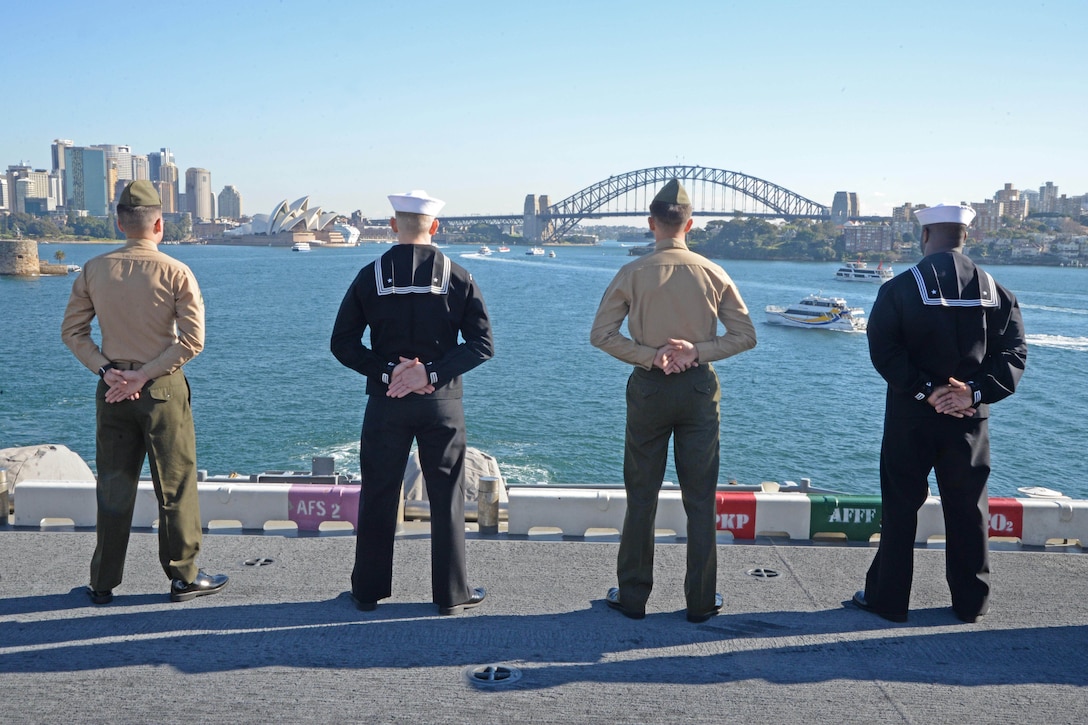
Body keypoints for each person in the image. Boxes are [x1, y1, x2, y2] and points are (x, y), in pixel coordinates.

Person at [590, 179, 757, 622]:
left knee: (641, 494)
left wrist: (652, 356)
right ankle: (701, 601)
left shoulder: (633, 272)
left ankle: (632, 597)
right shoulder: (713, 271)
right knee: (700, 498)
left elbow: (601, 335)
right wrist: (697, 351)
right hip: (700, 389)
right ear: (691, 224)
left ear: (651, 224)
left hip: (650, 387)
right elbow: (745, 336)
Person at [853, 203, 1027, 623]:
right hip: (970, 419)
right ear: (965, 236)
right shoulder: (998, 290)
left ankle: (889, 600)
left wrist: (926, 391)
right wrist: (972, 393)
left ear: (925, 236)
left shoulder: (898, 288)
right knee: (969, 510)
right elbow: (1014, 353)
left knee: (900, 507)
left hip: (911, 418)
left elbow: (884, 350)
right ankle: (971, 602)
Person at [61, 180, 228, 604]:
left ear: (119, 223)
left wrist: (107, 370)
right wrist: (147, 374)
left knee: (114, 485)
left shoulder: (94, 269)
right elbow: (192, 341)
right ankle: (184, 577)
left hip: (112, 387)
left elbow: (73, 333)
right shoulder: (176, 271)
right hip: (161, 390)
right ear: (159, 224)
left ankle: (102, 582)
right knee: (174, 484)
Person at [331, 189, 494, 615]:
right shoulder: (459, 276)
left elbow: (342, 344)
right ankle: (452, 594)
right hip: (442, 402)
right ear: (435, 227)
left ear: (392, 226)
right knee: (447, 497)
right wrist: (431, 374)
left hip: (387, 402)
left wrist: (389, 373)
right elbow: (482, 345)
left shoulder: (370, 275)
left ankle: (367, 591)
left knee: (380, 492)